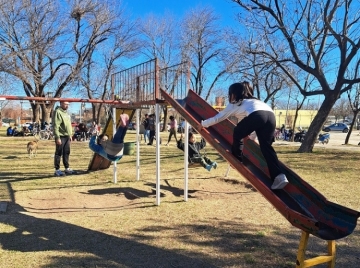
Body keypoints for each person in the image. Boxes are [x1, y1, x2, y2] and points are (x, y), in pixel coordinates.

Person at [201, 81, 289, 190]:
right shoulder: (254, 101)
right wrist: (252, 138)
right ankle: (279, 176)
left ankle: (237, 159)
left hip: (257, 115)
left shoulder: (235, 103)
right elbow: (250, 123)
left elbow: (218, 118)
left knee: (237, 132)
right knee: (266, 147)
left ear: (233, 94)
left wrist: (203, 123)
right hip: (271, 115)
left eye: (229, 94)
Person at [53, 101, 74, 176]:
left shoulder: (66, 113)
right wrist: (57, 137)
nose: (67, 106)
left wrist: (70, 135)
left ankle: (67, 168)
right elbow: (56, 125)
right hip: (61, 136)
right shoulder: (57, 112)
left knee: (66, 152)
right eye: (66, 104)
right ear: (61, 103)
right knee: (59, 153)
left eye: (68, 104)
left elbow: (68, 125)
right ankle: (57, 169)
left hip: (67, 136)